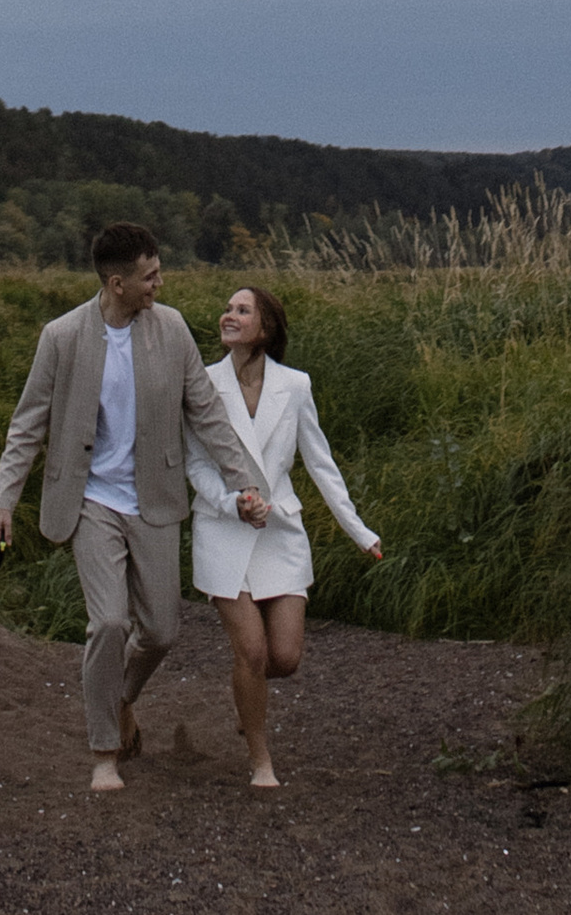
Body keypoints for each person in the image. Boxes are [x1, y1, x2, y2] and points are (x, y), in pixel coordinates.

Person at [0, 224, 270, 792]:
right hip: (90, 500)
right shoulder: (61, 336)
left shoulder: (171, 329)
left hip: (154, 499)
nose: (159, 284)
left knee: (161, 631)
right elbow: (27, 425)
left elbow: (206, 414)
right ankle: (104, 754)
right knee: (110, 623)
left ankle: (118, 698)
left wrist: (245, 484)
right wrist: (3, 503)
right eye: (149, 276)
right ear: (116, 284)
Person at [185, 284, 382, 787]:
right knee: (251, 652)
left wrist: (359, 531)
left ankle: (245, 694)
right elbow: (196, 464)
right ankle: (260, 759)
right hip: (223, 529)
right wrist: (232, 502)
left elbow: (320, 463)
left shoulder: (295, 386)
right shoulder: (202, 383)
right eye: (227, 308)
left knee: (285, 659)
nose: (228, 315)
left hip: (280, 531)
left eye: (242, 310)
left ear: (265, 328)